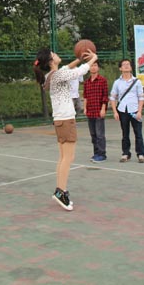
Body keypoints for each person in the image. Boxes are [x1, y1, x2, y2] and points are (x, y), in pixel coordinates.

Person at [34, 47, 97, 211]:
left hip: (60, 120)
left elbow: (67, 68)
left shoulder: (50, 76)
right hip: (66, 120)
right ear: (51, 61)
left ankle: (61, 189)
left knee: (63, 157)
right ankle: (60, 192)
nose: (57, 54)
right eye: (54, 54)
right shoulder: (58, 75)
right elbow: (79, 72)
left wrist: (79, 59)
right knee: (68, 158)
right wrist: (93, 59)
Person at [109, 58, 144, 163]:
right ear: (120, 68)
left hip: (135, 110)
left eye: (128, 64)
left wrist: (139, 111)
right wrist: (115, 112)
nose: (126, 66)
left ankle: (141, 154)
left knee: (138, 133)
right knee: (125, 133)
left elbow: (141, 97)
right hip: (122, 110)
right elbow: (112, 97)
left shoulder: (137, 82)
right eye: (124, 64)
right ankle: (125, 153)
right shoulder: (117, 83)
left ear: (131, 67)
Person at [83, 60, 108, 163]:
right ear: (89, 68)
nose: (93, 67)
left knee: (100, 134)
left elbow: (105, 96)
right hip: (90, 111)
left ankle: (102, 154)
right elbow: (85, 96)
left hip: (99, 111)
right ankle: (96, 153)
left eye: (95, 65)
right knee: (93, 134)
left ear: (98, 67)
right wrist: (85, 108)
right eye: (91, 65)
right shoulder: (87, 82)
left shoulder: (102, 80)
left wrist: (103, 109)